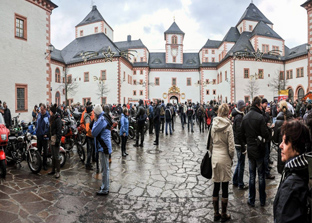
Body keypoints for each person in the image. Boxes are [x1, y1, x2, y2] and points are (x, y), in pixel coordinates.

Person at [273, 120, 310, 223]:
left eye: (285, 142)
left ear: (296, 147)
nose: (280, 145)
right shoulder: (300, 168)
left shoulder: (292, 185)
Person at [240, 96, 270, 207]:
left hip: (251, 149)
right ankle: (262, 200)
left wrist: (246, 143)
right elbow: (265, 134)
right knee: (261, 176)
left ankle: (251, 199)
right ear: (258, 105)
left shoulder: (246, 117)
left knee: (252, 176)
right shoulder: (260, 117)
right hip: (260, 149)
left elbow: (240, 134)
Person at [209, 103, 234, 222]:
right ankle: (224, 213)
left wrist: (212, 154)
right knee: (224, 186)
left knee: (215, 185)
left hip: (215, 156)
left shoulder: (213, 124)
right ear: (227, 112)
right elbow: (231, 147)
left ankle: (215, 213)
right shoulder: (229, 126)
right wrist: (231, 157)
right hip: (225, 157)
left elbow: (210, 143)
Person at [92, 104, 112, 196]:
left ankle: (105, 188)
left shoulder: (101, 120)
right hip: (104, 146)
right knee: (105, 168)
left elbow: (94, 132)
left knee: (104, 169)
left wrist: (95, 121)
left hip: (103, 147)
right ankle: (105, 186)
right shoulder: (103, 117)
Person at [273, 100, 293, 174]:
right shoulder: (291, 119)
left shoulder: (278, 121)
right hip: (290, 147)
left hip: (281, 148)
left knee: (282, 170)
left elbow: (275, 138)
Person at [232, 100, 248, 190]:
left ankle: (235, 180)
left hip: (238, 142)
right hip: (239, 143)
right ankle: (240, 184)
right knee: (241, 164)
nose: (245, 107)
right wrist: (243, 146)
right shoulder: (239, 117)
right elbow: (239, 133)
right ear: (241, 107)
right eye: (244, 106)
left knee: (239, 162)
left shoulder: (238, 116)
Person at [48, 104, 62, 178]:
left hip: (55, 138)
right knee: (52, 155)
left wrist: (58, 140)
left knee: (56, 156)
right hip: (51, 138)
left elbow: (59, 130)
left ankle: (58, 171)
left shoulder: (57, 119)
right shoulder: (52, 118)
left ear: (52, 112)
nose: (49, 112)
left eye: (50, 111)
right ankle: (53, 170)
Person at [36, 104, 50, 170]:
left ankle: (45, 164)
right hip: (39, 135)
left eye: (42, 110)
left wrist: (46, 134)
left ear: (45, 109)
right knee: (38, 150)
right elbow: (37, 124)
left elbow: (48, 126)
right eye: (40, 110)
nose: (41, 111)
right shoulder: (39, 115)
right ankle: (39, 163)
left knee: (45, 151)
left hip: (44, 136)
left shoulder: (47, 116)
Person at [84, 106, 95, 170]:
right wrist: (92, 134)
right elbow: (87, 128)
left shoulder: (88, 117)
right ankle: (88, 164)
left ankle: (88, 163)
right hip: (89, 136)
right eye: (91, 110)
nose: (92, 111)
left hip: (89, 136)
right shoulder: (87, 118)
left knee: (89, 150)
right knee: (89, 151)